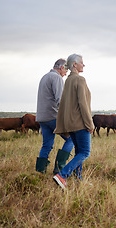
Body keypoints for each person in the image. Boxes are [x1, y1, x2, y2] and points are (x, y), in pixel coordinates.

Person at [53, 54, 94, 189]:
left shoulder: (68, 80)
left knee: (78, 152)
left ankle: (79, 180)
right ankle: (62, 175)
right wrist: (90, 124)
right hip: (80, 123)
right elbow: (83, 104)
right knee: (85, 152)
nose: (84, 65)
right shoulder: (80, 80)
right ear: (74, 65)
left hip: (70, 124)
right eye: (82, 62)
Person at [36, 59, 74, 174]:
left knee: (46, 145)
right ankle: (59, 168)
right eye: (66, 70)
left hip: (42, 118)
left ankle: (40, 171)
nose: (66, 73)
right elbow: (60, 100)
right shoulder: (56, 78)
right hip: (53, 116)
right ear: (62, 67)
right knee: (73, 139)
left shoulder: (44, 77)